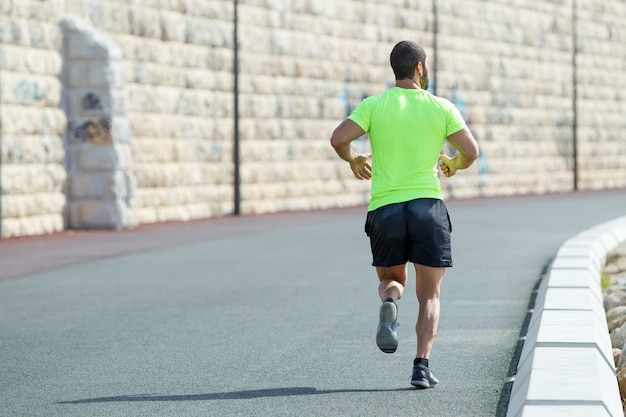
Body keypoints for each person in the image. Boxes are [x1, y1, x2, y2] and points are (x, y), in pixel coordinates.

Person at [329, 40, 479, 389]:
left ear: (394, 69)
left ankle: (390, 303)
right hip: (428, 208)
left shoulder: (374, 105)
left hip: (386, 210)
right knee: (430, 295)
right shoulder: (441, 107)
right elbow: (470, 151)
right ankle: (421, 366)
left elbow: (338, 138)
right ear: (420, 69)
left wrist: (353, 159)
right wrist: (453, 164)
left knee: (391, 281)